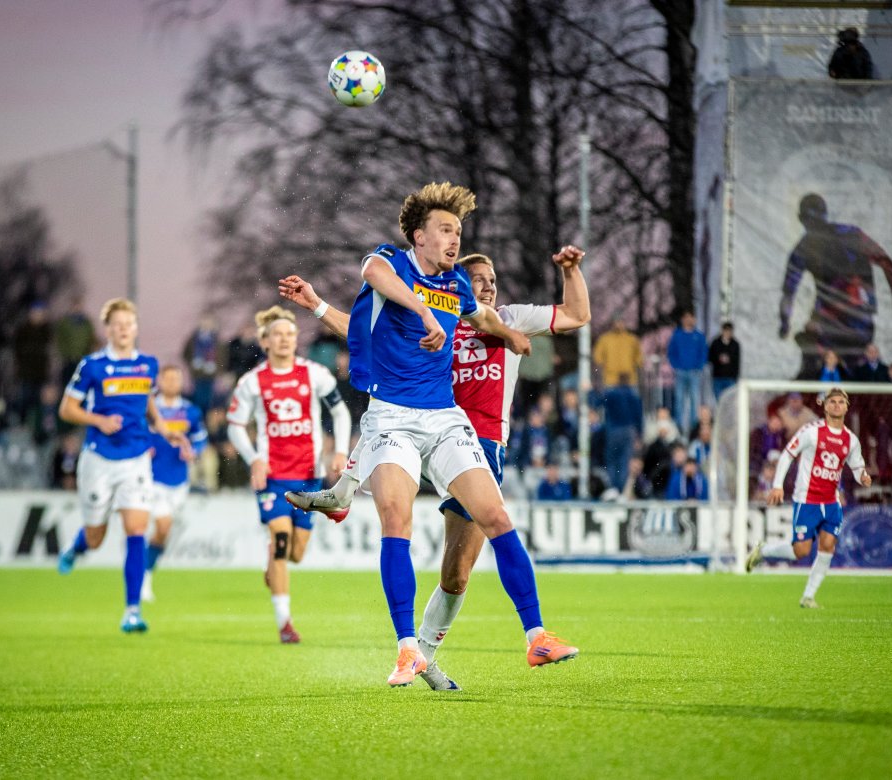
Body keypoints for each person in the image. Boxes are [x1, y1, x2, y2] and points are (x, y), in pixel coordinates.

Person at [279, 182, 586, 687]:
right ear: (419, 236)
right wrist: (420, 310)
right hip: (390, 418)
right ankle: (408, 650)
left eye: (458, 231)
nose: (454, 238)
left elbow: (482, 315)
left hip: (444, 418)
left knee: (495, 516)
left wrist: (509, 332)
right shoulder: (389, 262)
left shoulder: (456, 285)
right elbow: (371, 275)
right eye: (445, 229)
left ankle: (537, 636)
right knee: (396, 519)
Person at [55, 298, 184, 634]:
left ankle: (132, 611)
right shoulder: (92, 366)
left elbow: (148, 402)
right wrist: (98, 420)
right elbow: (67, 409)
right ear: (108, 330)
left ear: (136, 328)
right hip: (98, 460)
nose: (124, 329)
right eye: (118, 324)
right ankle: (77, 547)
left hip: (136, 459)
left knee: (136, 530)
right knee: (96, 537)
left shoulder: (147, 365)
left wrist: (164, 428)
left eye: (129, 324)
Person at [226, 306, 351, 644]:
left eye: (290, 334)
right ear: (265, 341)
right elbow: (235, 425)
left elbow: (340, 412)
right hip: (273, 477)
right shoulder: (252, 382)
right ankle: (285, 624)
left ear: (296, 340)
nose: (284, 340)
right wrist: (254, 458)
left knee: (296, 553)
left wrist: (340, 451)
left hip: (309, 475)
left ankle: (273, 562)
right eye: (277, 335)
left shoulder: (314, 374)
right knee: (281, 542)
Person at [746, 388, 871, 608]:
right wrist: (777, 485)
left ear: (846, 407)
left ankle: (808, 596)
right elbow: (787, 454)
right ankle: (763, 551)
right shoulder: (811, 431)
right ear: (825, 406)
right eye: (832, 402)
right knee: (801, 551)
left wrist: (863, 476)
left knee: (828, 546)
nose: (836, 405)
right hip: (807, 500)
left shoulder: (851, 440)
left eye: (841, 402)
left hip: (831, 502)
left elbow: (857, 466)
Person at [780, 193, 892, 378]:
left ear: (801, 219)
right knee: (838, 366)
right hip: (853, 317)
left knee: (826, 364)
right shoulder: (849, 234)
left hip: (840, 318)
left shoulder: (807, 245)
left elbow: (788, 292)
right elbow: (886, 263)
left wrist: (785, 323)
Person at [142, 365, 207, 604]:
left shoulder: (191, 411)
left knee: (163, 532)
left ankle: (145, 571)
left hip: (179, 481)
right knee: (163, 525)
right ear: (159, 381)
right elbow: (136, 433)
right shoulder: (149, 409)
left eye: (176, 378)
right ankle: (143, 579)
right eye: (167, 378)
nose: (171, 382)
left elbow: (200, 438)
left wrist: (193, 451)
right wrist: (143, 448)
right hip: (151, 478)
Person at [667, 310, 706, 433]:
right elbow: (671, 352)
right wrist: (676, 366)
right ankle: (678, 427)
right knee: (679, 400)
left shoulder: (699, 336)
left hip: (694, 372)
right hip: (680, 372)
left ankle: (694, 428)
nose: (689, 320)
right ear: (682, 319)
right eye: (686, 317)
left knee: (695, 400)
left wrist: (698, 366)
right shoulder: (677, 335)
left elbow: (703, 352)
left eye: (691, 317)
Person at [592, 318, 642, 387]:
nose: (619, 325)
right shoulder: (605, 339)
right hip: (610, 378)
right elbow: (597, 356)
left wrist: (636, 365)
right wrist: (603, 367)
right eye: (617, 322)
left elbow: (639, 356)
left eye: (621, 322)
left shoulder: (632, 339)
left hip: (628, 377)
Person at [707, 321, 740, 401]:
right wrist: (719, 359)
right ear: (722, 331)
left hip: (730, 378)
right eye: (726, 330)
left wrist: (735, 377)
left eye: (729, 331)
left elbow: (737, 362)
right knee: (719, 400)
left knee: (730, 400)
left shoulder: (735, 344)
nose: (727, 333)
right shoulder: (715, 343)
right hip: (717, 377)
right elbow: (710, 358)